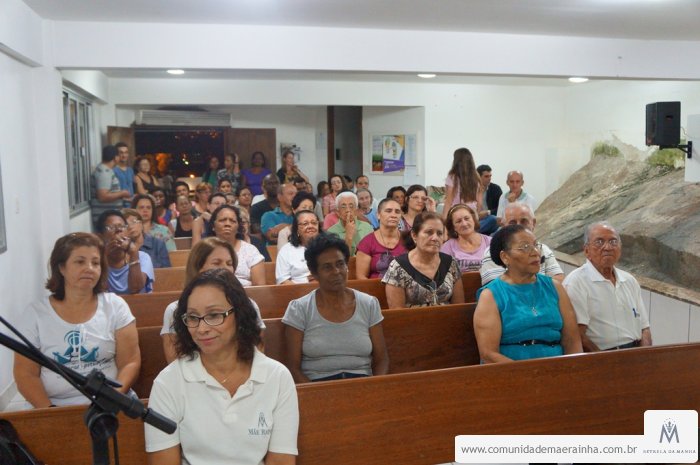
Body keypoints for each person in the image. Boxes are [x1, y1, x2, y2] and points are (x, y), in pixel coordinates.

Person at [145, 269, 298, 465]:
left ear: (240, 315)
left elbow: (281, 460)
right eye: (193, 317)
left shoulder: (277, 377)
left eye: (214, 315)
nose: (202, 329)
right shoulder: (168, 382)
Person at [13, 232, 140, 408]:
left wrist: (111, 401)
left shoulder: (115, 306)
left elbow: (130, 363)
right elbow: (25, 374)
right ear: (61, 268)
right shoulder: (35, 313)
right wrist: (51, 412)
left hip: (109, 401)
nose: (89, 268)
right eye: (80, 262)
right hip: (53, 405)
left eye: (95, 263)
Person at [282, 234, 389, 382]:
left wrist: (374, 388)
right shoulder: (299, 309)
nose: (336, 271)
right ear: (314, 273)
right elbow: (293, 368)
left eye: (340, 264)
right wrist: (316, 393)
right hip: (317, 385)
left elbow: (382, 359)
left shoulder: (369, 304)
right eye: (327, 267)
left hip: (362, 384)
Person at [473, 224, 582, 362]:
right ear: (505, 257)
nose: (535, 252)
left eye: (536, 245)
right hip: (511, 370)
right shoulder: (491, 295)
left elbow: (572, 341)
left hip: (558, 368)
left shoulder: (555, 287)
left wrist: (573, 369)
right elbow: (488, 354)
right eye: (525, 247)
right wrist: (527, 373)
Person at [160, 237, 266, 363]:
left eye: (229, 263)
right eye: (217, 263)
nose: (225, 269)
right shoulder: (175, 309)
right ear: (198, 268)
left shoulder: (249, 305)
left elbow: (256, 355)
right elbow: (174, 360)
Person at [563, 222, 652, 352]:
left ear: (620, 248)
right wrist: (605, 360)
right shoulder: (576, 282)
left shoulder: (629, 280)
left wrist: (645, 356)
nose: (607, 247)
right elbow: (578, 336)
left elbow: (645, 329)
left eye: (613, 242)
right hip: (601, 355)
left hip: (636, 353)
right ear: (586, 250)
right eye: (599, 242)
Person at [383, 212, 465, 308]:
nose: (435, 238)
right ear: (414, 235)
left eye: (439, 233)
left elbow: (459, 307)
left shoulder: (450, 263)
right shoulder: (398, 267)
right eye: (429, 232)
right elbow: (397, 312)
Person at [481, 202, 564, 285]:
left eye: (524, 221)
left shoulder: (543, 249)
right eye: (512, 223)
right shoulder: (493, 253)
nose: (519, 226)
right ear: (503, 226)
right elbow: (499, 288)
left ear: (533, 223)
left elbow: (558, 280)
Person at [97, 210, 155, 294]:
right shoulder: (97, 261)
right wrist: (104, 256)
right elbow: (101, 290)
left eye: (122, 226)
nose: (118, 230)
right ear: (101, 237)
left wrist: (134, 253)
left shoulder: (143, 257)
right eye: (111, 227)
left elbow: (136, 288)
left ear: (128, 232)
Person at [208, 205, 265, 286]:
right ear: (213, 226)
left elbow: (259, 286)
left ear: (238, 227)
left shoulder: (250, 250)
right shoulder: (205, 249)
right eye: (222, 220)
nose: (227, 224)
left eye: (232, 221)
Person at [356, 198, 407, 279]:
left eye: (397, 212)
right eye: (388, 211)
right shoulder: (367, 242)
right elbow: (361, 276)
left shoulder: (408, 239)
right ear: (378, 215)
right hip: (375, 286)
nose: (393, 215)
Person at [90, 145, 132, 227]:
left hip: (109, 215)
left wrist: (122, 198)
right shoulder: (104, 172)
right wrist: (122, 193)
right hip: (105, 218)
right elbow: (102, 196)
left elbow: (108, 193)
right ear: (115, 157)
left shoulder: (107, 170)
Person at [441, 204, 491, 273]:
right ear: (453, 227)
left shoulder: (491, 242)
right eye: (458, 221)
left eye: (467, 218)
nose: (464, 224)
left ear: (474, 219)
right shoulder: (447, 248)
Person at [276, 211, 321, 284]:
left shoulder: (328, 246)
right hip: (296, 289)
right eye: (305, 224)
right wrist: (304, 289)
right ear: (296, 229)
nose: (310, 226)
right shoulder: (286, 250)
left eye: (314, 223)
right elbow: (283, 281)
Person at [326, 192, 373, 256]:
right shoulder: (331, 232)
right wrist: (348, 237)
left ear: (356, 210)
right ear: (338, 212)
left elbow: (371, 253)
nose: (348, 210)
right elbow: (338, 257)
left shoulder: (367, 227)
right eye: (343, 207)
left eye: (351, 206)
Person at [442, 147, 483, 219]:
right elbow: (479, 202)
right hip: (472, 214)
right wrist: (476, 216)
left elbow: (448, 201)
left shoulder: (452, 177)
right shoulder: (476, 177)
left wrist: (444, 219)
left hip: (457, 213)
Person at [476, 164, 503, 234]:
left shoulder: (496, 189)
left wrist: (488, 212)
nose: (489, 178)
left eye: (490, 176)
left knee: (494, 219)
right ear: (478, 177)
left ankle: (472, 232)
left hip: (490, 220)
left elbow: (501, 208)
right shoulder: (470, 190)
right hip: (475, 220)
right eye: (486, 176)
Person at [113, 142, 134, 207]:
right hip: (119, 206)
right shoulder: (113, 170)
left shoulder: (130, 170)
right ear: (116, 154)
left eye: (126, 152)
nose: (124, 155)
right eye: (121, 152)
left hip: (131, 206)